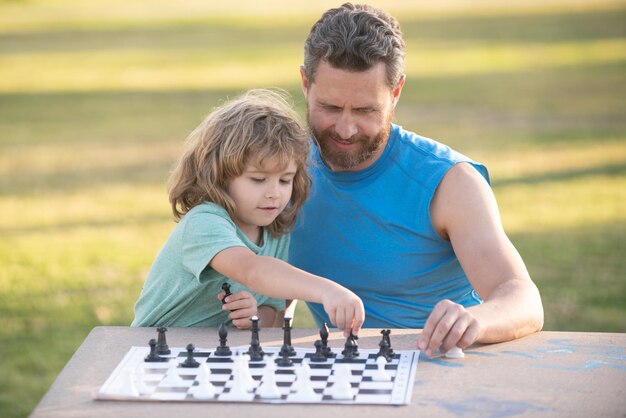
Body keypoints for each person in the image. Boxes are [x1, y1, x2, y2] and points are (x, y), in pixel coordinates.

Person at [288, 3, 544, 357]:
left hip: (441, 366)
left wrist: (475, 321)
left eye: (365, 111)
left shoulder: (450, 182)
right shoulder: (283, 171)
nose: (345, 129)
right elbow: (269, 271)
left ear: (395, 94)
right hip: (345, 372)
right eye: (330, 107)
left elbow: (521, 298)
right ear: (305, 83)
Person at [132, 89, 364, 334]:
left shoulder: (276, 232)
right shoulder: (204, 223)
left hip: (217, 356)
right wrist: (327, 291)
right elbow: (252, 270)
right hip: (150, 349)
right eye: (258, 179)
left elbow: (273, 315)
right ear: (220, 176)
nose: (274, 193)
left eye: (285, 180)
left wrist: (254, 316)